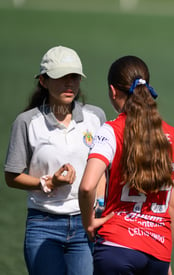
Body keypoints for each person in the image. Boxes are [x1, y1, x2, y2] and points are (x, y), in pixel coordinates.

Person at [78, 55, 174, 275]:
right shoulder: (172, 135)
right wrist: (165, 255)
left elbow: (87, 186)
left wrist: (89, 221)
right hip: (158, 252)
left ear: (112, 91)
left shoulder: (111, 131)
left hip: (117, 247)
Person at [4, 45, 106, 275]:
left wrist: (98, 208)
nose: (69, 84)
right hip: (43, 225)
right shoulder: (26, 122)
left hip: (85, 225)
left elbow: (103, 170)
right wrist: (48, 183)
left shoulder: (95, 117)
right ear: (44, 81)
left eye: (75, 77)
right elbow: (11, 176)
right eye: (61, 77)